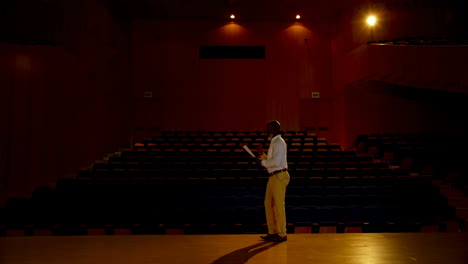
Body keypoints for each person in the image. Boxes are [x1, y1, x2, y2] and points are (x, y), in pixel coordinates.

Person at [256, 120, 290, 242]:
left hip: (279, 176)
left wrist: (262, 162)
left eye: (268, 129)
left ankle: (282, 234)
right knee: (268, 204)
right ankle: (272, 232)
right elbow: (273, 161)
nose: (267, 131)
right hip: (273, 176)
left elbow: (276, 162)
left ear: (275, 129)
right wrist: (262, 155)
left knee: (279, 206)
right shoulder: (274, 142)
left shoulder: (279, 143)